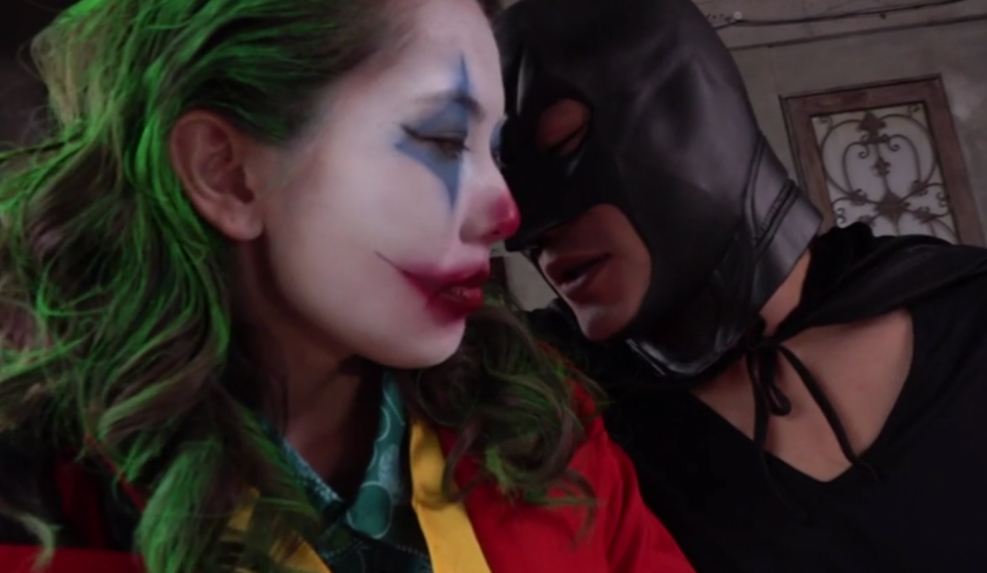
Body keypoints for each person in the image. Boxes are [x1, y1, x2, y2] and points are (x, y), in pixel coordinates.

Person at [0, 0, 698, 572]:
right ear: (226, 173)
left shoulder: (536, 422)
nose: (505, 215)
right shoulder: (41, 501)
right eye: (442, 139)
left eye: (493, 150)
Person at [495, 0, 987, 571]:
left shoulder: (967, 314)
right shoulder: (554, 409)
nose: (524, 229)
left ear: (694, 112)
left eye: (564, 142)